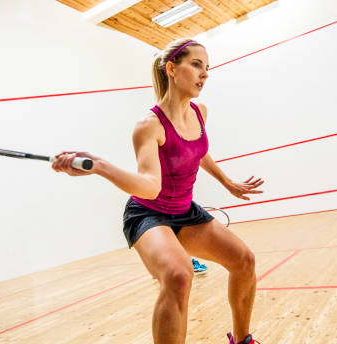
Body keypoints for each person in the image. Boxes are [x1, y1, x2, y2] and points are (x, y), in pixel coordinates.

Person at [51, 38, 264, 344]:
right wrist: (99, 165)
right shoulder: (148, 126)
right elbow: (151, 187)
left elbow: (197, 151)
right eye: (196, 65)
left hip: (184, 211)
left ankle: (242, 340)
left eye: (207, 68)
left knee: (244, 260)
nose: (204, 74)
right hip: (148, 214)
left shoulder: (200, 112)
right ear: (172, 69)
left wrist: (226, 181)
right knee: (179, 276)